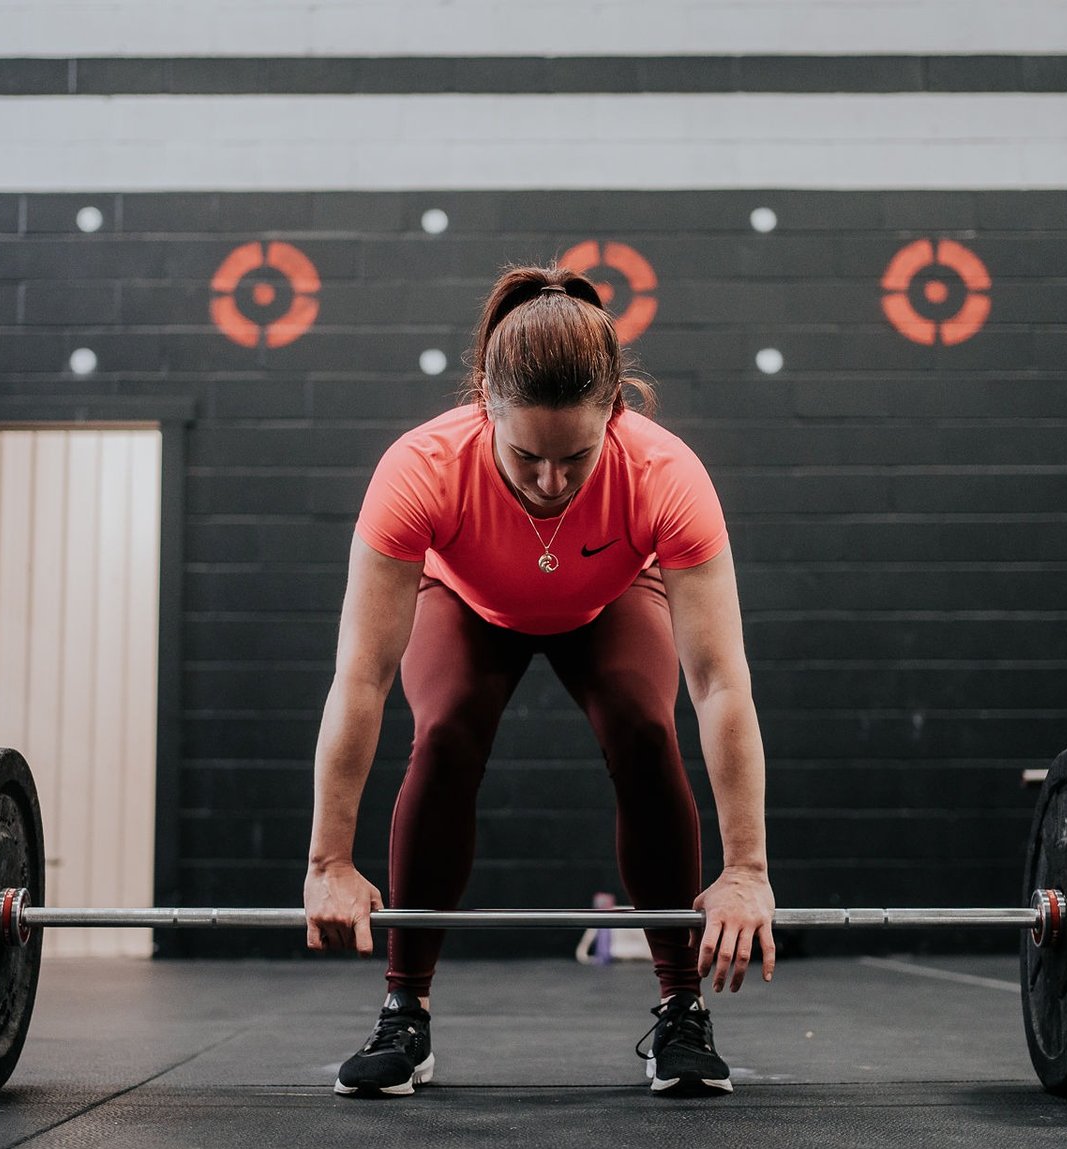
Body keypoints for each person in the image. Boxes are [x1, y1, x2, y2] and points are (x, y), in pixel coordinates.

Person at [302, 263, 776, 1098]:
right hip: (465, 598)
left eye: (576, 457)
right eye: (527, 456)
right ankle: (403, 1012)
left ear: (617, 412)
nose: (551, 484)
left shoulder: (666, 477)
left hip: (613, 598)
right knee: (444, 733)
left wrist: (748, 870)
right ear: (485, 399)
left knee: (646, 726)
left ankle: (681, 1010)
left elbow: (720, 685)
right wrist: (328, 860)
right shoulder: (420, 470)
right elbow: (362, 677)